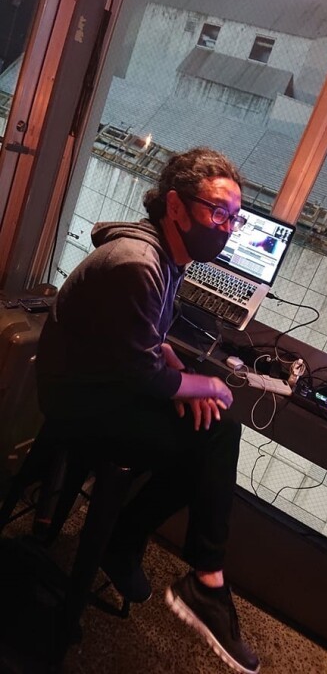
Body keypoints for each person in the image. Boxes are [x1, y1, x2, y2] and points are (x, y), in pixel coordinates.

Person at [36, 146, 260, 674]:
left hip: (104, 383)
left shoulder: (165, 256)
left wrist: (180, 370)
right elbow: (141, 373)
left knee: (210, 434)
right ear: (176, 206)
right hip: (79, 401)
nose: (228, 229)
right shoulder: (139, 263)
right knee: (216, 435)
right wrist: (204, 383)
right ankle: (201, 578)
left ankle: (129, 545)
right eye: (218, 213)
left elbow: (142, 338)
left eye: (235, 218)